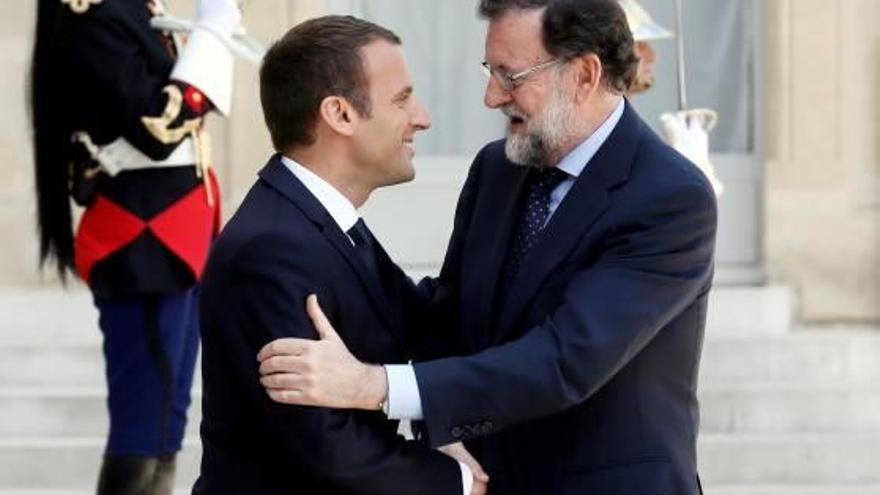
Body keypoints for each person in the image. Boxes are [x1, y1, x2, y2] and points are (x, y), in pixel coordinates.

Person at [258, 0, 717, 493]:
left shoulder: (669, 197)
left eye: (511, 75)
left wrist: (375, 386)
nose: (492, 96)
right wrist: (321, 224)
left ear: (584, 74)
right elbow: (447, 317)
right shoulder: (498, 169)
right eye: (489, 71)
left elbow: (563, 361)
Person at [192, 15, 488, 495]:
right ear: (340, 114)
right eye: (401, 99)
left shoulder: (322, 221)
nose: (422, 117)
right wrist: (459, 483)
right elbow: (321, 446)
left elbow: (420, 323)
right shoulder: (273, 248)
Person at [29, 0, 237, 493]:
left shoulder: (135, 6)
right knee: (142, 429)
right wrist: (211, 35)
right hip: (144, 240)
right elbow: (156, 127)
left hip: (176, 235)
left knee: (167, 427)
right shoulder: (90, 12)